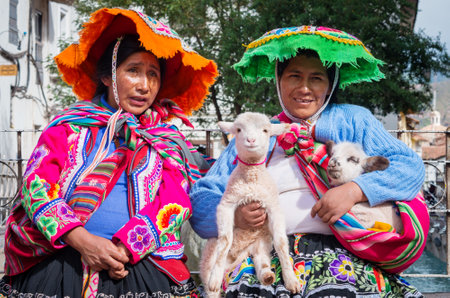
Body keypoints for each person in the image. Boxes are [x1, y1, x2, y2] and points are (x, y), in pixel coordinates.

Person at [190, 26, 426, 297]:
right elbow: (203, 196)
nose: (304, 88)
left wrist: (354, 191)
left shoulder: (354, 120)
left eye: (316, 78)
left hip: (344, 254)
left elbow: (409, 166)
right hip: (269, 256)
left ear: (329, 84)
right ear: (279, 80)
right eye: (294, 76)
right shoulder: (256, 133)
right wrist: (237, 218)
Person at [0, 8, 217, 297]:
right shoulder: (67, 128)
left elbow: (174, 201)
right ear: (108, 76)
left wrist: (125, 247)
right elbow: (36, 186)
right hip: (62, 265)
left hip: (137, 265)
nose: (144, 85)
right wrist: (83, 242)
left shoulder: (168, 141)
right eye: (133, 71)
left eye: (153, 75)